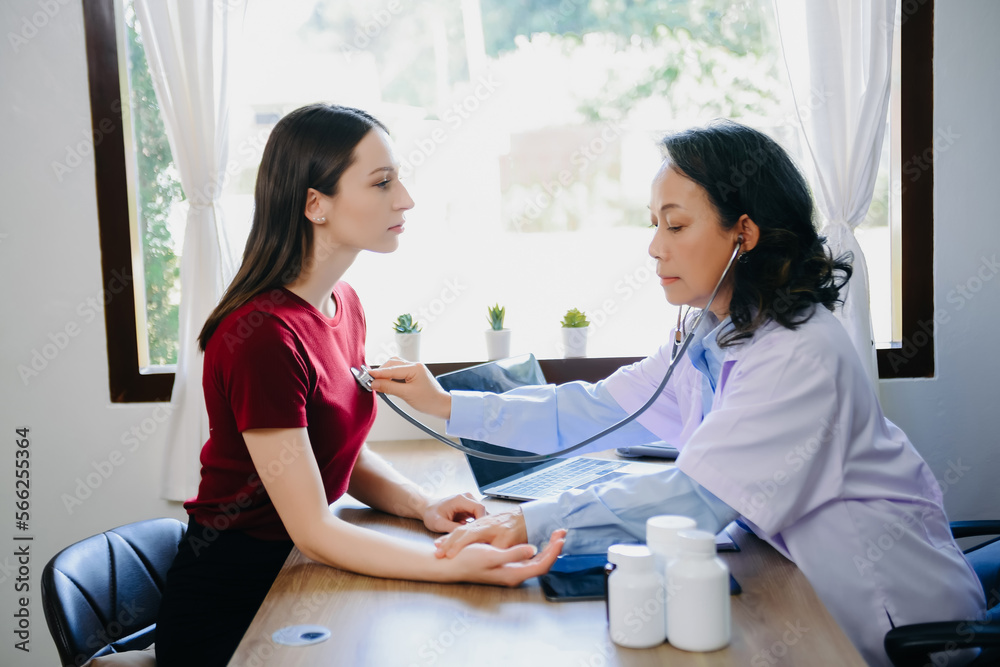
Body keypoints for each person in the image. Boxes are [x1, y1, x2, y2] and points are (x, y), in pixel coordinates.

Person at [369, 120, 986, 666]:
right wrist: (450, 405)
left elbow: (696, 498)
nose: (654, 246)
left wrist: (527, 524)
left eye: (677, 224)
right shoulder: (716, 332)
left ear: (743, 233)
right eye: (654, 224)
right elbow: (597, 409)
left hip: (891, 620)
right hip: (790, 574)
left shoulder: (800, 357)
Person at [154, 104, 565, 667]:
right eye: (382, 182)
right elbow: (315, 531)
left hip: (298, 578)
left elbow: (333, 448)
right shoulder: (260, 337)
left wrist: (424, 506)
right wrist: (450, 564)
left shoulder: (342, 304)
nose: (406, 199)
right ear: (314, 204)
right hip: (238, 603)